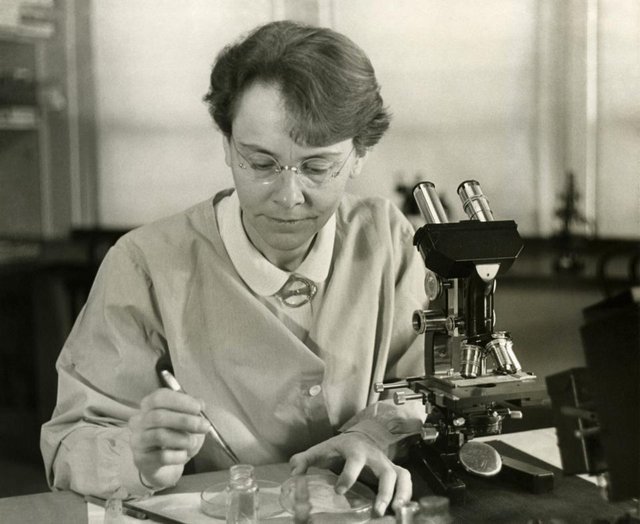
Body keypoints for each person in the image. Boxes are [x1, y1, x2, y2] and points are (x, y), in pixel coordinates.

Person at [40, 20, 427, 517]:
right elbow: (68, 443)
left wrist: (371, 435)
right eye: (261, 163)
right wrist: (134, 455)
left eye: (316, 167)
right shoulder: (144, 265)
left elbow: (426, 392)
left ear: (359, 155)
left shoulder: (387, 241)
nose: (289, 198)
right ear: (226, 144)